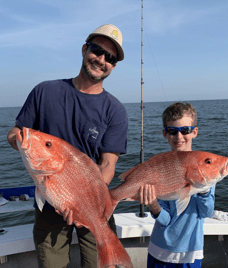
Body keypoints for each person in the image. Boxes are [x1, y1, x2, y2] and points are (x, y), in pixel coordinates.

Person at [7, 24, 128, 268]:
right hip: (50, 207)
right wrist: (21, 142)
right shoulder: (45, 91)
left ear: (114, 66)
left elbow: (107, 166)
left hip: (93, 204)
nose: (101, 59)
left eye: (110, 57)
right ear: (84, 49)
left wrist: (80, 201)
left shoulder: (116, 111)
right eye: (96, 50)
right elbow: (16, 132)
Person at [139, 102, 215, 268]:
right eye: (172, 131)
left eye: (185, 130)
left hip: (191, 253)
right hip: (159, 250)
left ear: (194, 132)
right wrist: (153, 205)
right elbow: (166, 220)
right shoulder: (161, 167)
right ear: (165, 134)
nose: (179, 136)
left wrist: (204, 190)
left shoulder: (204, 165)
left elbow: (206, 212)